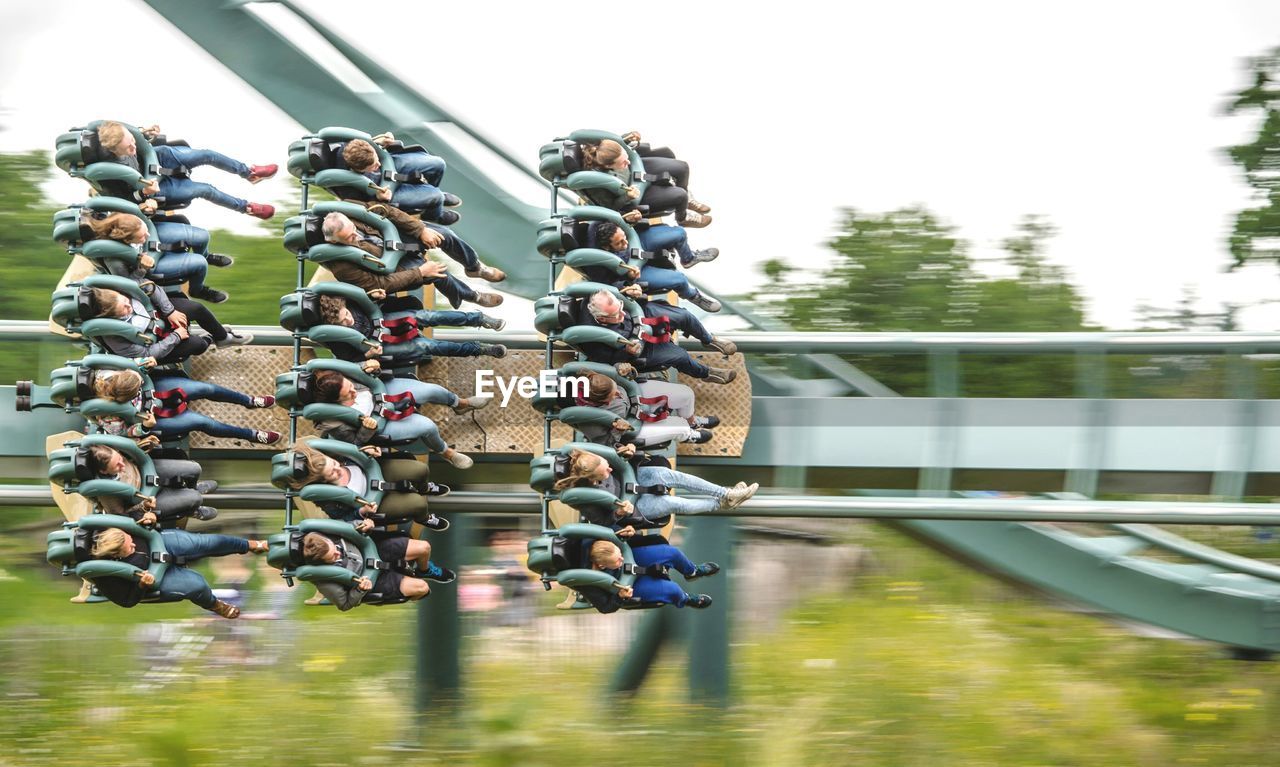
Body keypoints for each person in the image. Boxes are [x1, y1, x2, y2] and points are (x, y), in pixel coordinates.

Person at [320, 210, 504, 309]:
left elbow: (388, 212)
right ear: (334, 241)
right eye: (350, 238)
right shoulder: (342, 265)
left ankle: (474, 266)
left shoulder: (352, 211)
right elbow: (379, 284)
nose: (356, 236)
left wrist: (420, 230)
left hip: (396, 237)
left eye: (354, 229)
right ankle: (471, 296)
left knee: (444, 234)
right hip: (396, 267)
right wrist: (419, 272)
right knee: (438, 272)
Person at [95, 121, 275, 219]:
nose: (134, 149)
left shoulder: (119, 132)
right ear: (113, 151)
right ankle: (246, 207)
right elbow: (124, 199)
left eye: (133, 142)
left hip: (161, 157)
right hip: (154, 187)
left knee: (207, 154)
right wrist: (143, 193)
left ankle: (249, 172)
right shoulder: (108, 173)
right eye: (129, 149)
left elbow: (137, 136)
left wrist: (145, 133)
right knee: (206, 190)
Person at [310, 369, 484, 469]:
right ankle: (447, 453)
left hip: (382, 392)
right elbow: (356, 442)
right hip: (383, 423)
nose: (353, 391)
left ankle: (460, 404)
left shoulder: (341, 377)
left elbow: (363, 371)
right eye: (349, 394)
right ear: (336, 401)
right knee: (428, 427)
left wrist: (371, 366)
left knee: (431, 390)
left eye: (350, 385)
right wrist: (367, 428)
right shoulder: (336, 423)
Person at [552, 447, 758, 528]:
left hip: (635, 476)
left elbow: (616, 456)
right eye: (604, 473)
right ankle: (721, 504)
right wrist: (618, 512)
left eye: (607, 467)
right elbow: (601, 521)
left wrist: (629, 451)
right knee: (673, 503)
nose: (608, 471)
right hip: (636, 506)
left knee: (674, 476)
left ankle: (727, 494)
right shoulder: (583, 497)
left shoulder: (595, 456)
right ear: (590, 479)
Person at [88, 526, 268, 618]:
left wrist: (145, 512)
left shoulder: (110, 529)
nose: (134, 543)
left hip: (157, 542)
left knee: (204, 543)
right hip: (156, 575)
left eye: (131, 539)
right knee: (196, 584)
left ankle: (250, 545)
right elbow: (126, 601)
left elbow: (130, 515)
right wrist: (142, 585)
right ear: (116, 554)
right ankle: (214, 604)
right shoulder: (105, 576)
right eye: (130, 547)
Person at [573, 289, 737, 384]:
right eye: (616, 315)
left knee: (683, 316)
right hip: (639, 347)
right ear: (602, 319)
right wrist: (626, 353)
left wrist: (630, 290)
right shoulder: (591, 339)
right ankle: (706, 373)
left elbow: (621, 291)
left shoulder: (597, 294)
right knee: (680, 356)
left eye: (621, 307)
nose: (622, 313)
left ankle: (708, 340)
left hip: (641, 315)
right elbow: (607, 359)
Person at [87, 367, 280, 445]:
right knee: (202, 423)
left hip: (152, 389)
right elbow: (123, 433)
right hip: (151, 418)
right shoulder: (107, 417)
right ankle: (251, 435)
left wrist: (143, 365)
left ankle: (249, 400)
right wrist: (143, 427)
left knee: (205, 388)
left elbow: (131, 368)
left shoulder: (107, 376)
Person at [285, 437, 450, 526]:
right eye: (332, 473)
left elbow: (355, 449)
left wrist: (368, 450)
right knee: (417, 504)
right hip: (374, 501)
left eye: (334, 464)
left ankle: (423, 487)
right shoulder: (328, 499)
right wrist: (361, 512)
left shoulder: (338, 457)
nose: (337, 469)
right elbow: (344, 518)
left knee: (420, 470)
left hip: (375, 472)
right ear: (323, 481)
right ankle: (423, 518)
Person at [84, 212, 234, 305]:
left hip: (155, 237)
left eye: (144, 231)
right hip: (151, 264)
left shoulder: (120, 218)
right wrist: (142, 269)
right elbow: (128, 284)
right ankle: (197, 289)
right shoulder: (115, 260)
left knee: (202, 236)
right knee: (199, 263)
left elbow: (145, 225)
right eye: (142, 236)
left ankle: (206, 255)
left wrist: (147, 208)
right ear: (127, 240)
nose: (146, 235)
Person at [315, 292, 506, 363]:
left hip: (382, 319)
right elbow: (348, 358)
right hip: (378, 343)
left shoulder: (349, 301)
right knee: (426, 346)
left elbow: (364, 298)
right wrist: (368, 355)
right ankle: (479, 349)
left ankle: (479, 319)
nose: (348, 321)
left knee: (426, 317)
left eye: (346, 316)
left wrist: (374, 296)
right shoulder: (335, 338)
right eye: (342, 323)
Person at [82, 287, 251, 365]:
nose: (130, 306)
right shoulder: (114, 338)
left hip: (158, 313)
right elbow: (147, 354)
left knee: (195, 308)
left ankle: (223, 338)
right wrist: (175, 337)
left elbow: (150, 287)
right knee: (197, 345)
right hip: (154, 343)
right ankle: (209, 339)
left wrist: (169, 311)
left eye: (127, 302)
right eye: (124, 309)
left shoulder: (119, 289)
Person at [300, 527, 455, 611]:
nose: (338, 552)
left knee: (424, 547)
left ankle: (424, 570)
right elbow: (344, 604)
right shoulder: (324, 580)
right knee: (422, 588)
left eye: (335, 548)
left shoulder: (326, 532)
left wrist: (364, 523)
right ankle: (406, 582)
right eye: (333, 557)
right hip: (373, 580)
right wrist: (360, 590)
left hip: (374, 550)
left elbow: (350, 522)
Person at [584, 221, 720, 311]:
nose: (624, 243)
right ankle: (693, 296)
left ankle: (689, 258)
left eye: (624, 237)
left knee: (679, 233)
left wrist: (631, 218)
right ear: (606, 247)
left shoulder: (598, 225)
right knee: (679, 279)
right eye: (619, 243)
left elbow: (619, 217)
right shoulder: (597, 265)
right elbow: (607, 284)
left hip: (638, 241)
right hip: (635, 271)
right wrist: (628, 280)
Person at [579, 139, 708, 228]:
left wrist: (631, 140)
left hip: (638, 169)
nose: (627, 162)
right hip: (635, 193)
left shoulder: (604, 148)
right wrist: (627, 196)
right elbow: (611, 208)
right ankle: (682, 217)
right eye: (623, 163)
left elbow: (627, 155)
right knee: (681, 195)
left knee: (682, 167)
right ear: (608, 166)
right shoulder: (597, 183)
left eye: (626, 158)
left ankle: (685, 203)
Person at [82, 443, 218, 523]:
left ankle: (193, 487)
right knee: (195, 498)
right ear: (104, 472)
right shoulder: (106, 493)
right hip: (147, 498)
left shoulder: (110, 449)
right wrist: (143, 505)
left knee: (194, 468)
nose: (123, 466)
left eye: (120, 459)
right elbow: (123, 517)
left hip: (146, 471)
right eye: (117, 467)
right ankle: (190, 510)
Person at [575, 371, 717, 447]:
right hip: (633, 426)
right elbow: (605, 444)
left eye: (615, 388)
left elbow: (616, 369)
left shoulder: (592, 377)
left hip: (635, 393)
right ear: (600, 401)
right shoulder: (587, 420)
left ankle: (691, 420)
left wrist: (625, 369)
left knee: (686, 394)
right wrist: (617, 431)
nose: (617, 393)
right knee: (681, 427)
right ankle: (688, 433)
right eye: (613, 395)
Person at [340, 137, 457, 224]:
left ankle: (427, 196)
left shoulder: (353, 145)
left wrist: (382, 142)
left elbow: (374, 147)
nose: (378, 163)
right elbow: (363, 204)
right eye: (373, 165)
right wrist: (378, 198)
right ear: (360, 169)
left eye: (376, 159)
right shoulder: (348, 184)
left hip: (390, 165)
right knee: (436, 196)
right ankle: (433, 215)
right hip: (385, 191)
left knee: (438, 164)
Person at [581, 539, 716, 611]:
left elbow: (610, 525)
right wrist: (620, 598)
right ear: (602, 566)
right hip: (627, 586)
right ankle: (685, 599)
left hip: (633, 557)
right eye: (618, 560)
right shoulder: (589, 584)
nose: (621, 559)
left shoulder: (593, 540)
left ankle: (692, 571)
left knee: (672, 553)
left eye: (620, 555)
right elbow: (605, 607)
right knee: (672, 590)